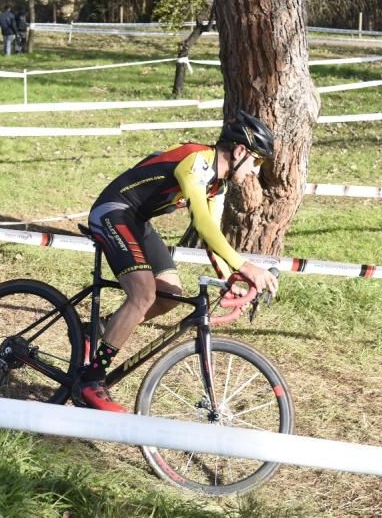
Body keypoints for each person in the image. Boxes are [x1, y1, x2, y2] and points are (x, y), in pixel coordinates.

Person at [83, 110, 279, 412]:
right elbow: (200, 222)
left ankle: (98, 329)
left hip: (137, 219)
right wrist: (246, 266)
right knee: (144, 293)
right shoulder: (197, 162)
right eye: (256, 161)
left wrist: (228, 278)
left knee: (170, 295)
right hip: (113, 211)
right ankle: (92, 379)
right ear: (240, 151)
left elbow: (211, 235)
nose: (255, 171)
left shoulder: (218, 184)